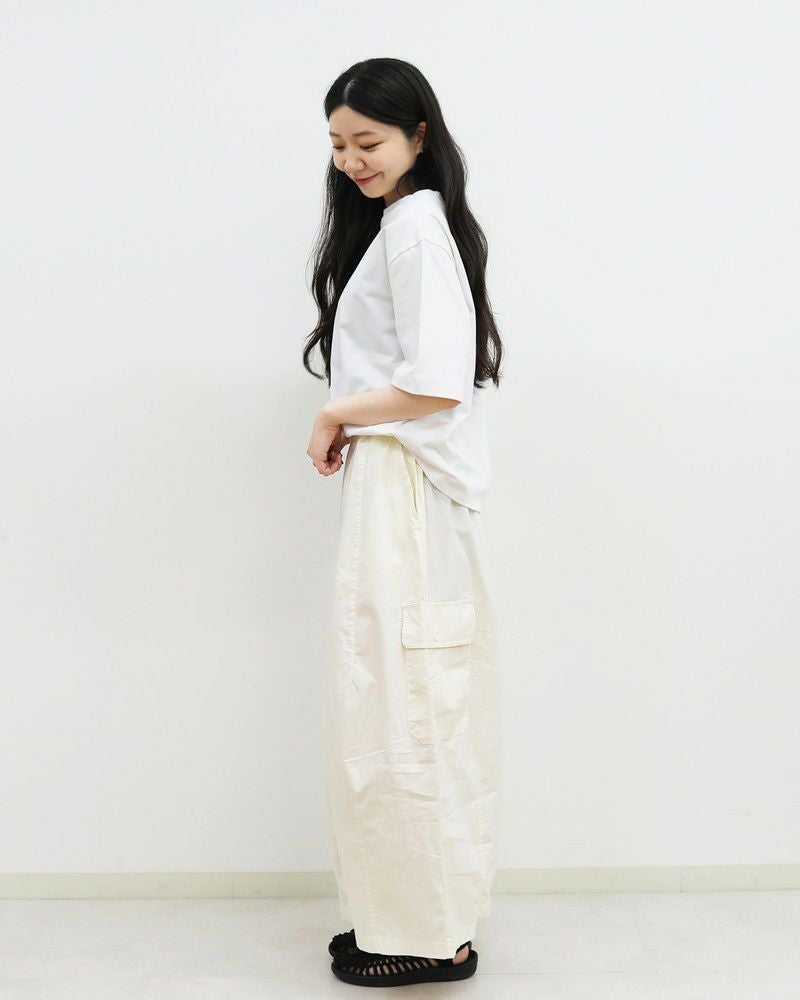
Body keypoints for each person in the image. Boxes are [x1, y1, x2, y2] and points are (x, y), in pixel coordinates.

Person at [303, 57, 504, 988]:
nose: (352, 160)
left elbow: (434, 384)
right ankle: (405, 918)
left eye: (368, 141)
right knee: (395, 698)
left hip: (408, 491)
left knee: (405, 702)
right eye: (338, 144)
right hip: (398, 483)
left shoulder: (416, 229)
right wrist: (351, 419)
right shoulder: (402, 225)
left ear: (419, 136)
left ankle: (429, 937)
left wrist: (335, 412)